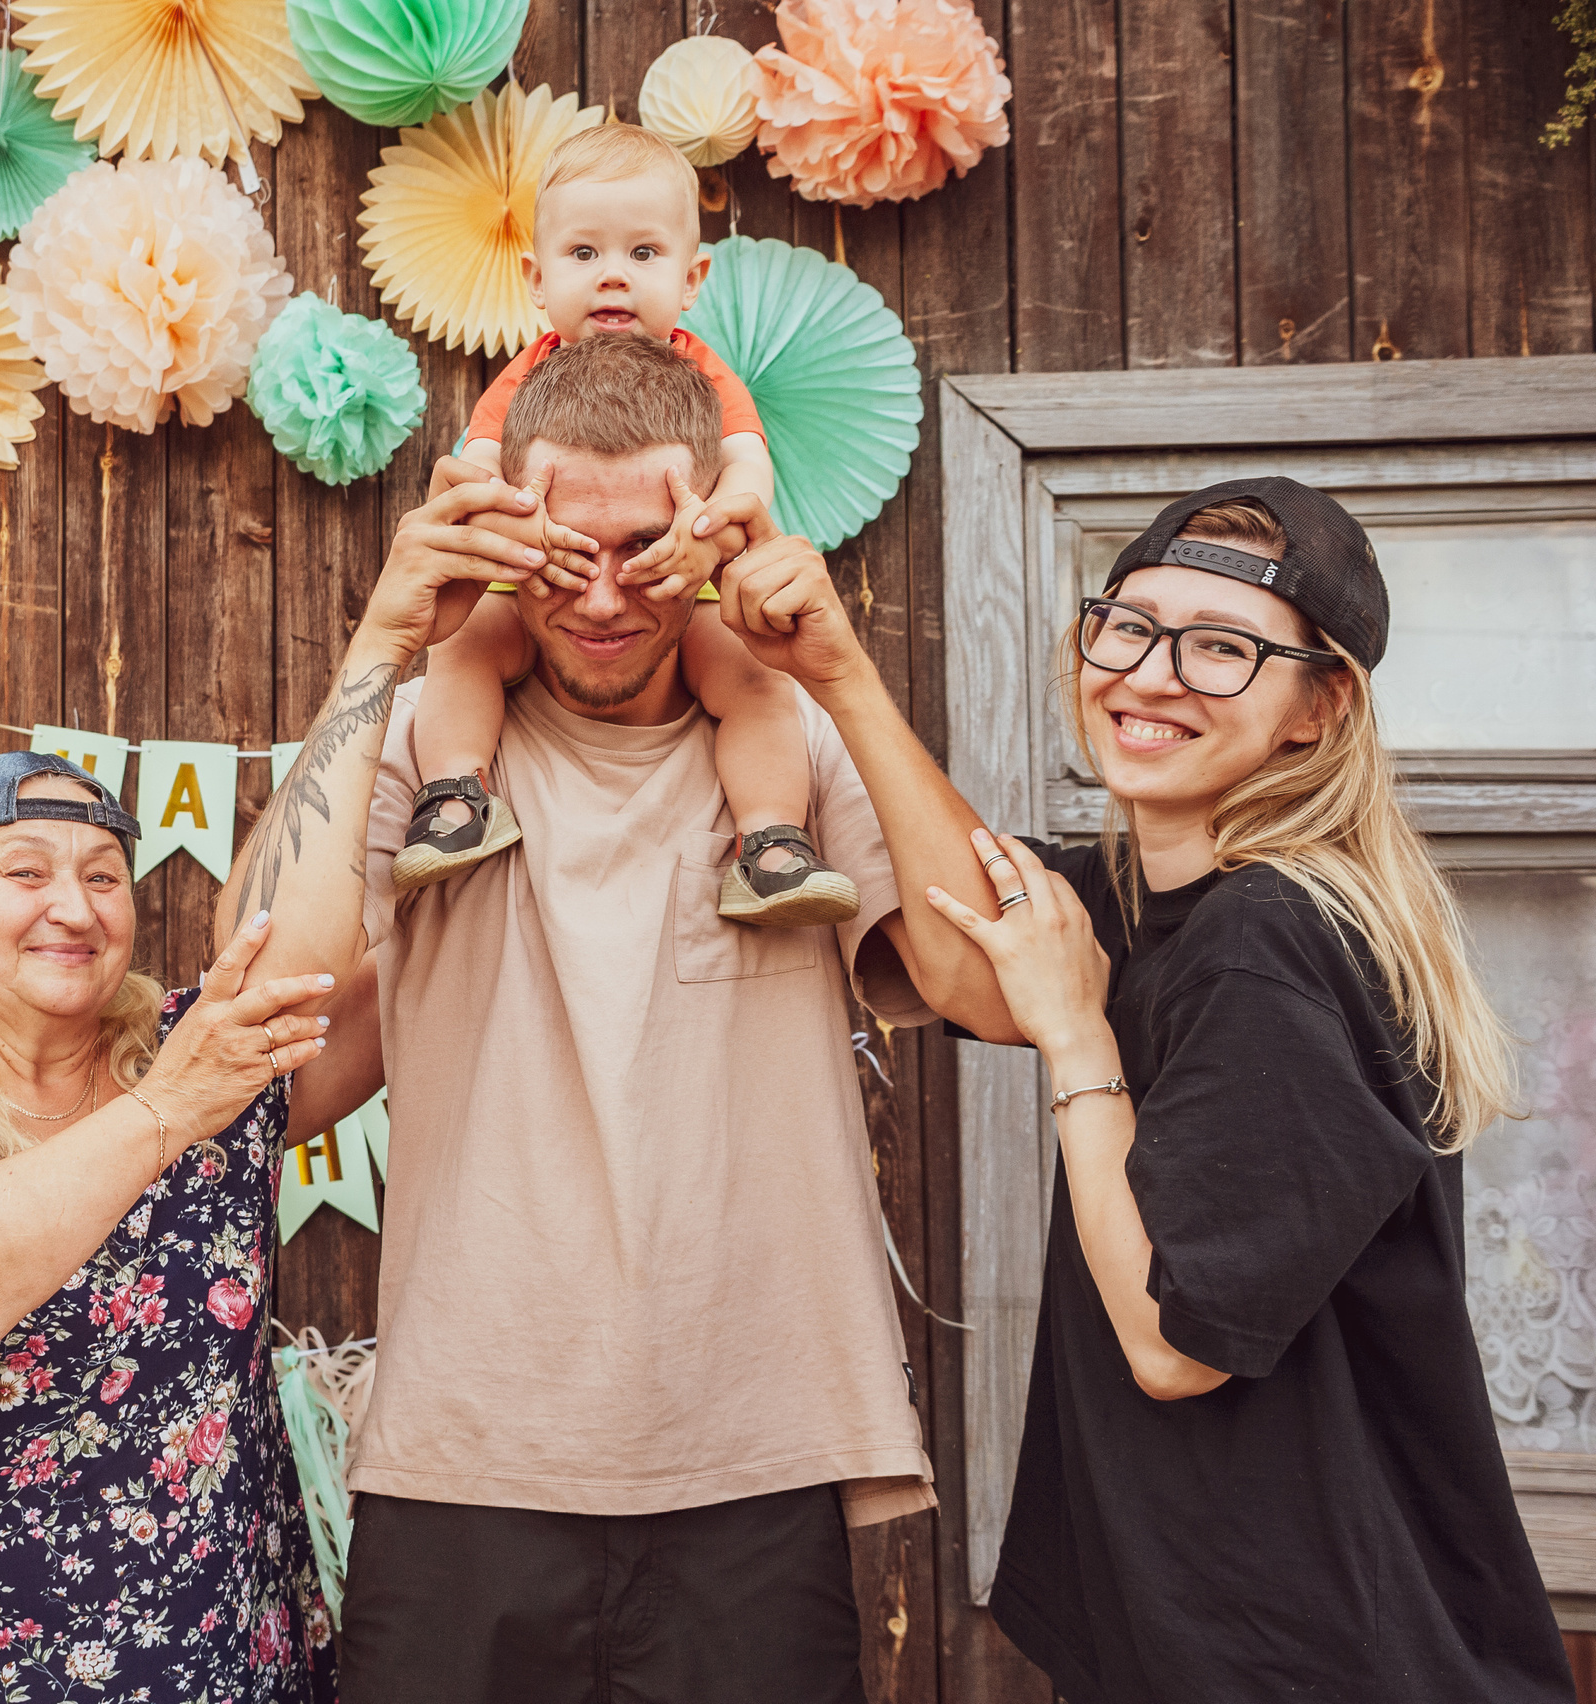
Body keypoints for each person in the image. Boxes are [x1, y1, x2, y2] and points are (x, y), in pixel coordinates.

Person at [723, 476, 1574, 1701]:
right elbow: (966, 958)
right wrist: (836, 672)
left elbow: (1178, 1346)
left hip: (1307, 1660)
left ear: (1318, 708)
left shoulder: (1266, 939)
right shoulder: (1153, 899)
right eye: (1128, 625)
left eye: (1222, 648)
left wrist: (1077, 1038)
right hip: (1214, 1635)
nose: (1152, 675)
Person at [218, 332, 938, 1704]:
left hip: (752, 1456)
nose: (604, 595)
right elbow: (261, 980)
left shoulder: (787, 732)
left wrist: (842, 671)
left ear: (709, 530)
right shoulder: (426, 736)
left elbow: (976, 983)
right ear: (503, 533)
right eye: (565, 554)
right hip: (460, 1461)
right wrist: (382, 641)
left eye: (644, 551)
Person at [0, 752, 382, 1704]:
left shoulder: (203, 1055)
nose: (76, 908)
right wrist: (167, 1109)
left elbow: (330, 958)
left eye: (103, 877)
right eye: (26, 872)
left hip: (221, 1670)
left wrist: (396, 684)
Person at [395, 123, 858, 931]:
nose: (613, 274)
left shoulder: (704, 374)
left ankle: (771, 843)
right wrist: (516, 523)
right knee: (463, 651)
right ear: (537, 279)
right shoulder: (525, 377)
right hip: (532, 580)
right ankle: (456, 795)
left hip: (685, 586)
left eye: (643, 253)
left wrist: (706, 535)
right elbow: (477, 470)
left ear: (691, 278)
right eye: (584, 254)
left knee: (755, 686)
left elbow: (747, 469)